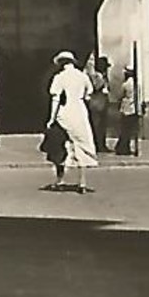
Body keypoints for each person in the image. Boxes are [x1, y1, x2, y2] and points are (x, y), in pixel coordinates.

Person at [45, 51, 98, 192]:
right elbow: (89, 94)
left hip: (64, 113)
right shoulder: (83, 77)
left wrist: (51, 118)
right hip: (80, 112)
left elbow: (55, 99)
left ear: (61, 63)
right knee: (82, 146)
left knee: (61, 147)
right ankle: (82, 183)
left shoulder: (59, 78)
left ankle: (60, 180)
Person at [86, 55, 111, 153]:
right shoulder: (96, 76)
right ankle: (98, 145)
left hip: (102, 102)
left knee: (102, 125)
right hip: (97, 102)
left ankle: (101, 144)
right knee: (97, 125)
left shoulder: (100, 76)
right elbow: (96, 87)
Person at [115, 67, 141, 156]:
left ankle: (123, 147)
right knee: (130, 130)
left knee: (125, 129)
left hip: (126, 109)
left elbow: (120, 95)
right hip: (134, 109)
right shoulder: (137, 84)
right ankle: (125, 147)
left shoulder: (125, 84)